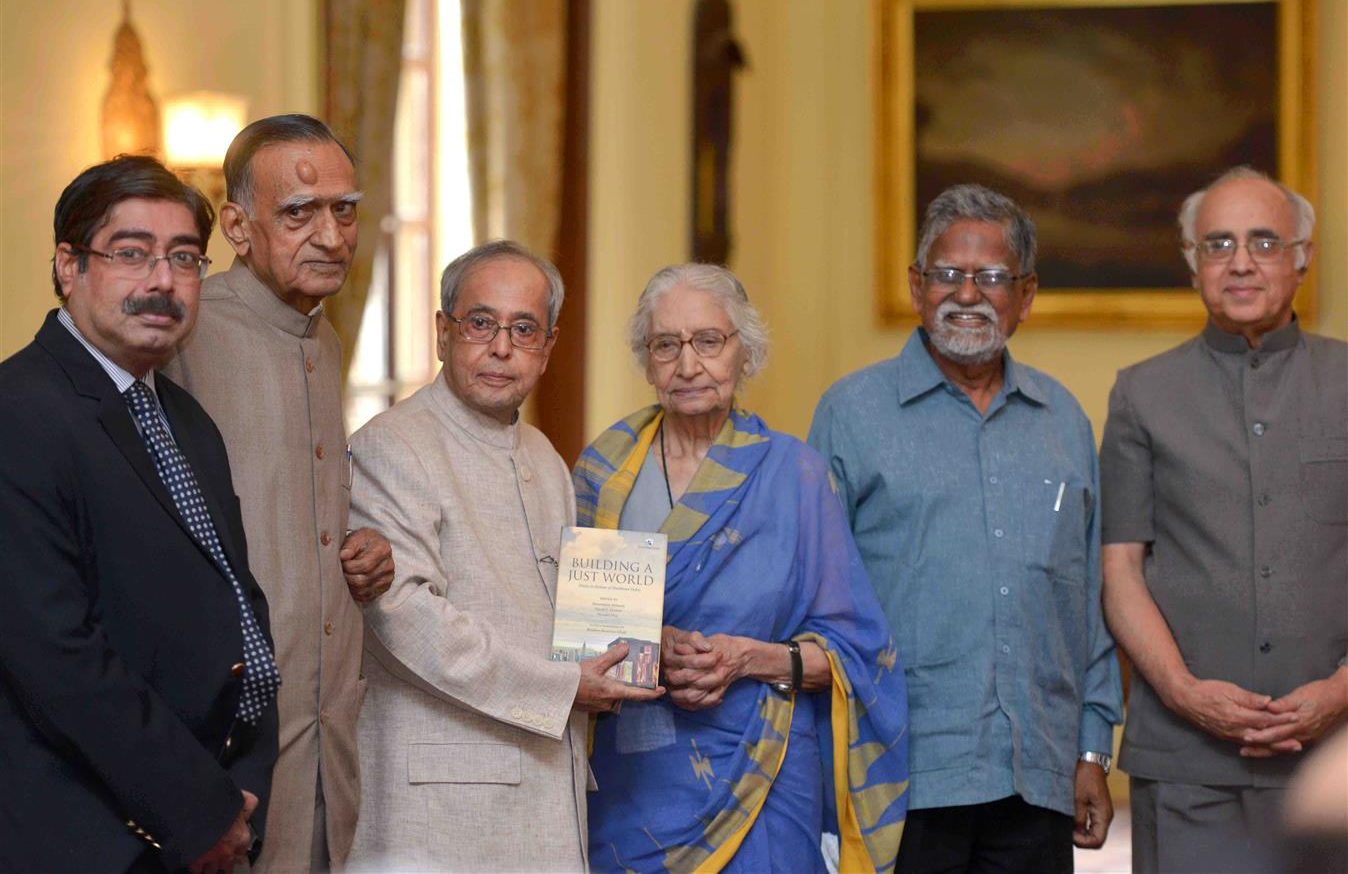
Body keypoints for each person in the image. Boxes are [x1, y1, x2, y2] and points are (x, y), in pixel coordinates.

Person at [809, 184, 1124, 873]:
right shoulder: (853, 414)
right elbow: (817, 605)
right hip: (899, 777)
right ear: (918, 286)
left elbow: (1087, 602)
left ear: (1027, 294)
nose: (967, 294)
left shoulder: (1061, 422)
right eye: (949, 274)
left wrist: (1092, 751)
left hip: (1035, 778)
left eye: (991, 278)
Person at [575, 263, 909, 872]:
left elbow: (856, 652)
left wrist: (745, 658)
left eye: (709, 341)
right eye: (666, 344)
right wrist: (653, 637)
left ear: (744, 354)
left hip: (767, 773)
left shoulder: (796, 476)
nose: (688, 363)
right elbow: (572, 633)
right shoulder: (603, 473)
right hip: (633, 783)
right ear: (647, 361)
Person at [0, 156, 279, 872]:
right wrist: (201, 809)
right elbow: (58, 656)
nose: (162, 281)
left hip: (200, 825)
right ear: (69, 265)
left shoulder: (185, 420)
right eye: (131, 254)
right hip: (86, 836)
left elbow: (233, 605)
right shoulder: (20, 411)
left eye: (183, 258)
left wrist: (243, 787)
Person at [345, 240, 659, 871]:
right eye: (481, 323)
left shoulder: (543, 457)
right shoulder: (391, 446)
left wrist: (618, 652)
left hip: (544, 794)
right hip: (439, 814)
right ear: (442, 332)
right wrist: (567, 685)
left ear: (548, 347)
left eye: (524, 329)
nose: (501, 347)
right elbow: (404, 619)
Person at [161, 114, 395, 872]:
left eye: (344, 209)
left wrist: (360, 543)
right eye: (298, 212)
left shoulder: (322, 337)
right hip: (227, 742)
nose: (329, 235)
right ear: (237, 224)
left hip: (327, 736)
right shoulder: (184, 330)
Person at [1099, 166, 1347, 873]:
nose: (1240, 261)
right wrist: (1182, 692)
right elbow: (1121, 570)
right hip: (1187, 766)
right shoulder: (1141, 395)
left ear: (1302, 256)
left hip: (1338, 764)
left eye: (1264, 241)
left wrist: (1340, 690)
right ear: (1192, 264)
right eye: (1218, 244)